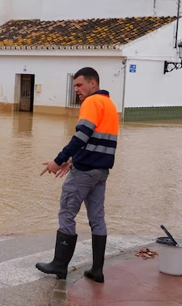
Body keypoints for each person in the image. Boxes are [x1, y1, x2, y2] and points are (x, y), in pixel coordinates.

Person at [36, 67, 119, 283]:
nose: (76, 90)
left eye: (80, 85)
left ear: (93, 84)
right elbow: (98, 141)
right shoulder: (110, 104)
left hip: (84, 172)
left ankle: (59, 265)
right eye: (74, 86)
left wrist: (58, 160)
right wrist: (71, 159)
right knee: (97, 219)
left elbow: (81, 136)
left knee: (66, 213)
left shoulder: (91, 102)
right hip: (101, 172)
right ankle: (97, 270)